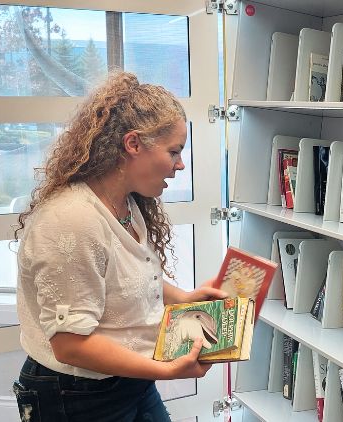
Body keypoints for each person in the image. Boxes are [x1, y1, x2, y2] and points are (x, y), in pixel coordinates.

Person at [12, 71, 226, 422]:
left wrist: (184, 299)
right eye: (174, 151)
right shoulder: (71, 221)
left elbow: (128, 279)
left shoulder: (126, 203)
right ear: (133, 144)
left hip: (130, 380)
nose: (180, 164)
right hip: (76, 394)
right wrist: (168, 370)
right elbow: (69, 345)